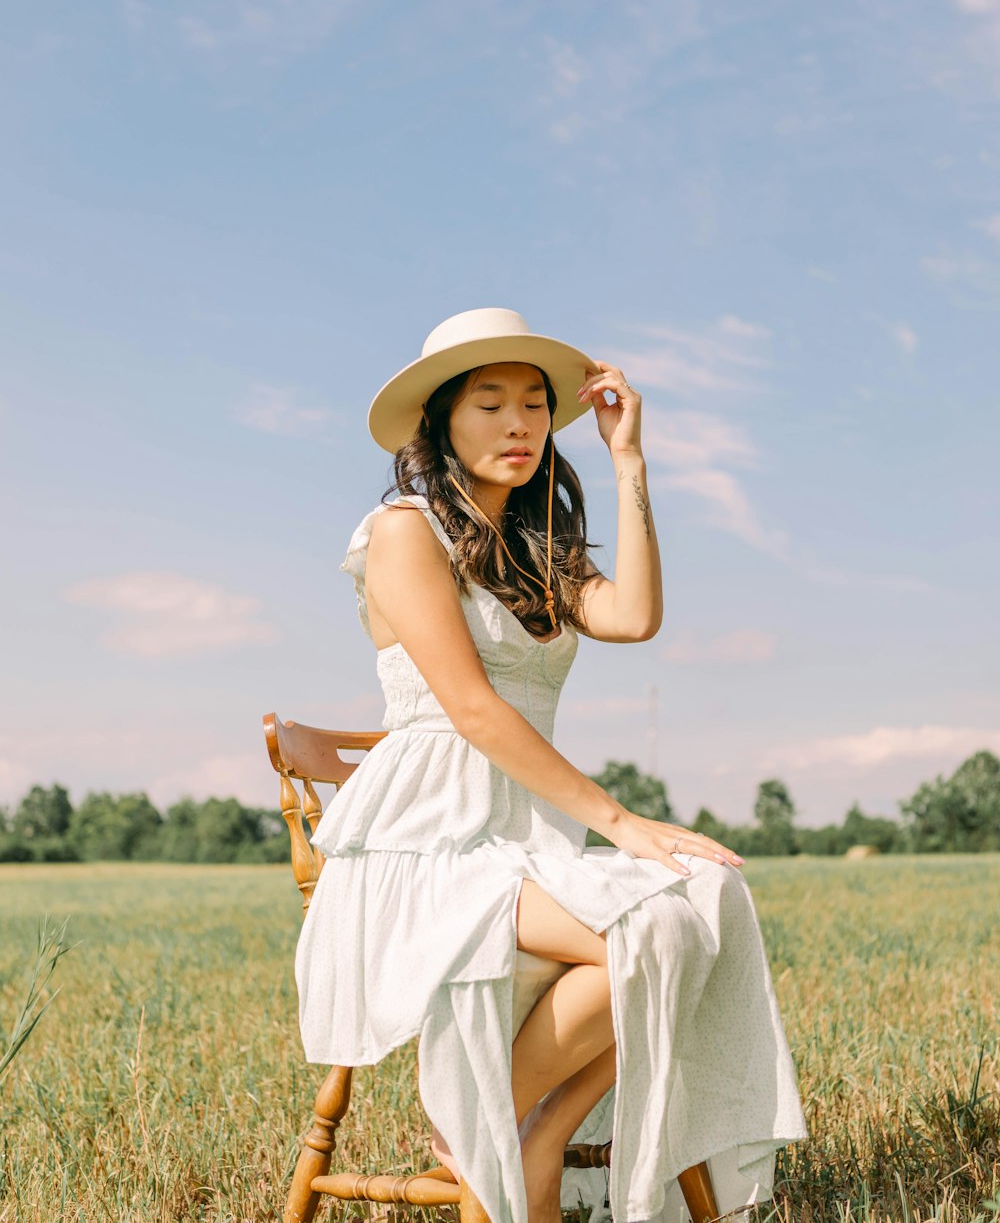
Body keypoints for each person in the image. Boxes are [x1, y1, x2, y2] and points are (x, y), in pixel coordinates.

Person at [295, 308, 806, 1223]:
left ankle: (534, 1128)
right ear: (440, 422)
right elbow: (476, 711)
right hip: (424, 852)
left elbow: (636, 616)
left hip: (520, 839)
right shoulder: (403, 531)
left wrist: (628, 462)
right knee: (652, 932)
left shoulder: (532, 553)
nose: (519, 424)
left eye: (534, 405)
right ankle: (468, 1113)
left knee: (699, 913)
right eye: (490, 404)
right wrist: (623, 824)